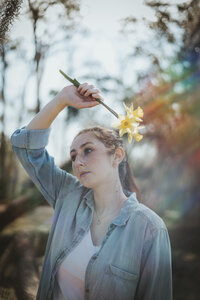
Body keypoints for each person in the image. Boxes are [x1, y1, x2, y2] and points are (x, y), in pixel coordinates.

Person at [10, 82, 173, 300]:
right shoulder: (67, 195)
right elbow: (25, 147)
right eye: (74, 155)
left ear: (117, 156)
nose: (78, 162)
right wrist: (62, 99)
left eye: (88, 150)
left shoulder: (150, 229)